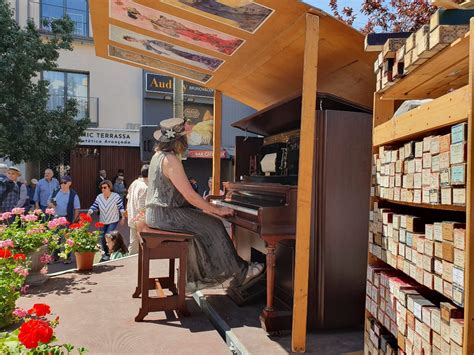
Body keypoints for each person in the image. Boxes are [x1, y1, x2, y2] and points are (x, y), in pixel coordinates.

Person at [145, 118, 263, 291]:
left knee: (202, 225)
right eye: (186, 136)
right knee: (213, 224)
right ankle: (242, 272)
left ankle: (193, 279)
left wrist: (207, 208)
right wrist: (217, 210)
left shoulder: (158, 156)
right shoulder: (171, 160)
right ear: (179, 140)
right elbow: (190, 196)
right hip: (167, 215)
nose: (188, 140)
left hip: (158, 214)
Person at [88, 180, 126, 262]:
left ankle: (110, 253)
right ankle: (105, 254)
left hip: (113, 220)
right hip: (103, 221)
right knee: (102, 237)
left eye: (105, 187)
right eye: (101, 188)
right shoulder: (99, 197)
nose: (103, 189)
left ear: (109, 188)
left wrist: (123, 218)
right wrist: (89, 212)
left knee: (108, 235)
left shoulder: (116, 196)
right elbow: (94, 206)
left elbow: (121, 208)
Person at [48, 175, 80, 263]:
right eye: (61, 183)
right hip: (56, 218)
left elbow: (77, 208)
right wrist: (51, 205)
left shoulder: (73, 195)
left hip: (67, 218)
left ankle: (67, 257)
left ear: (69, 183)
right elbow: (48, 201)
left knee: (67, 238)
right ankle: (55, 256)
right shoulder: (55, 191)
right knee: (55, 238)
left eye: (64, 183)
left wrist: (75, 219)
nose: (62, 184)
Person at [126, 164, 149, 255]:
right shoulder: (145, 187)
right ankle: (137, 265)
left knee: (133, 243)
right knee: (142, 245)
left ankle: (130, 262)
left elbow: (128, 197)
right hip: (141, 221)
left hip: (132, 217)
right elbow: (142, 207)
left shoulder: (135, 182)